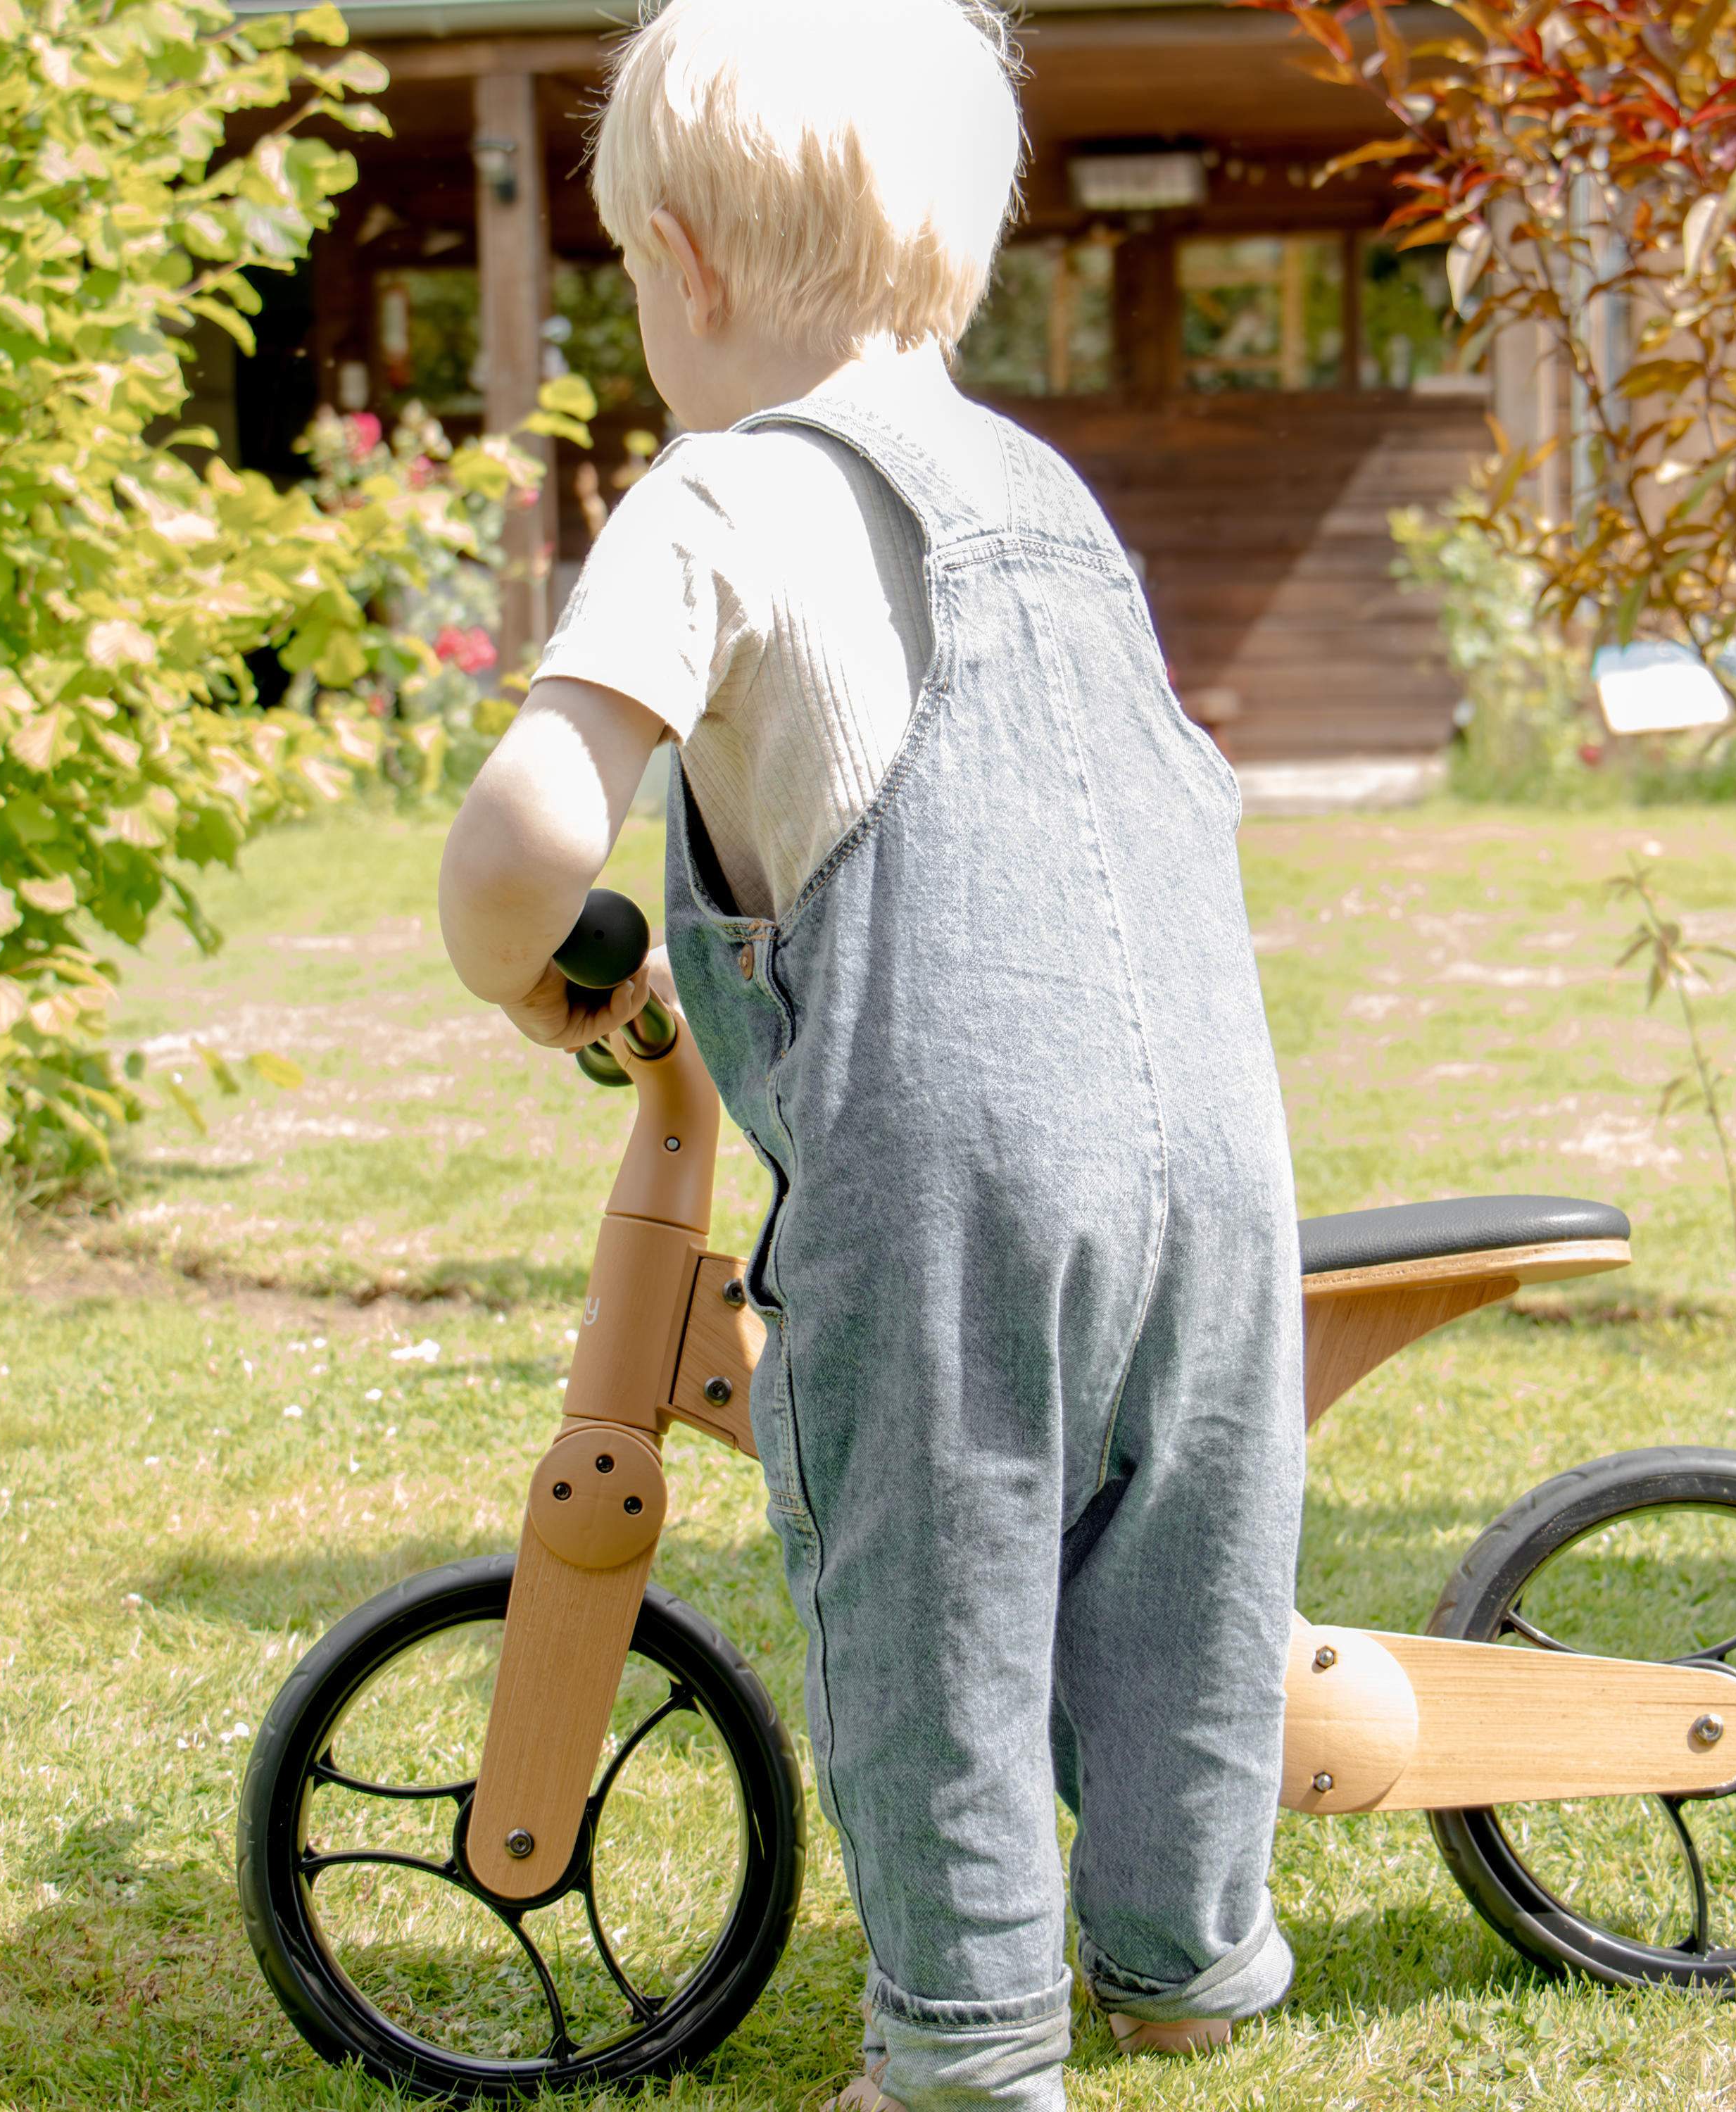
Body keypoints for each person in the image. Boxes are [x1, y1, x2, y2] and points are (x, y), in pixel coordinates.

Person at [436, 2, 1306, 2104]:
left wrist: (509, 951)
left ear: (695, 266)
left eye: (636, 268)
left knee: (939, 1588)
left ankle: (971, 2048)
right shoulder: (1048, 493)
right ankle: (1188, 1962)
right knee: (1185, 1562)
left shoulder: (720, 496)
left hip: (961, 1162)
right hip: (1218, 1138)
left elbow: (538, 821)